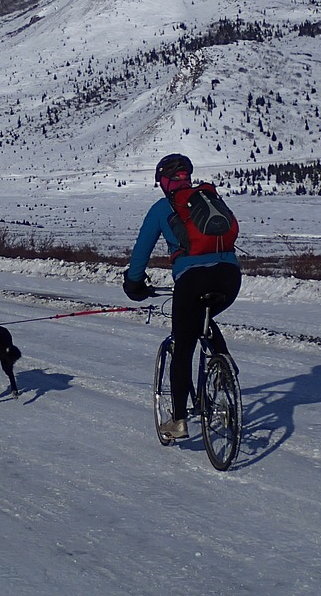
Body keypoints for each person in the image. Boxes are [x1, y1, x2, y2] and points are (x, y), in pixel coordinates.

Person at [122, 153, 241, 440]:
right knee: (204, 320)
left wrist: (134, 284)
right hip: (230, 278)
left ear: (164, 181)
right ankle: (224, 366)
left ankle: (177, 421)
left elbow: (141, 254)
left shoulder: (163, 208)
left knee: (183, 343)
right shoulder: (209, 200)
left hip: (192, 281)